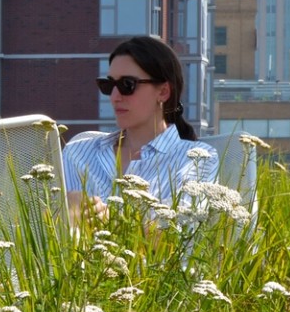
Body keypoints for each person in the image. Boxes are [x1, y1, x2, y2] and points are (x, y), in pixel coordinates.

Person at [59, 33, 218, 205]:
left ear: (163, 91)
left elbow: (184, 227)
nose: (114, 96)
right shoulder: (77, 154)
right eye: (108, 85)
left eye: (127, 85)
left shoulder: (196, 160)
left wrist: (105, 218)